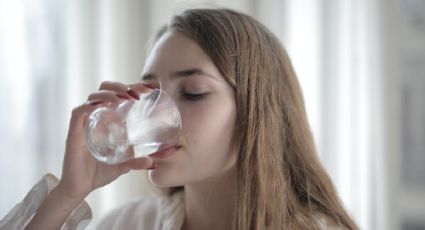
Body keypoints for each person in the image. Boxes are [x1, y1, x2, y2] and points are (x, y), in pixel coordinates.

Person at [0, 8, 358, 230]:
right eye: (148, 92)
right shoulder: (130, 224)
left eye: (192, 93)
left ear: (256, 113)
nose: (154, 113)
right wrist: (67, 194)